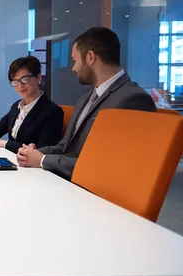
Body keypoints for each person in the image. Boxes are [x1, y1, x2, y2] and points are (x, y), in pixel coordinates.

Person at [16, 27, 156, 181]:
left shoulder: (133, 99)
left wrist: (43, 160)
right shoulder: (85, 99)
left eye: (75, 60)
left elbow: (110, 165)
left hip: (93, 191)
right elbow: (65, 146)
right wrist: (34, 152)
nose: (73, 68)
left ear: (90, 57)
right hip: (66, 179)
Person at [0, 56, 63, 153]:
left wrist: (2, 143)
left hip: (31, 168)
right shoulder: (17, 106)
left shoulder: (52, 111)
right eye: (15, 81)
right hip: (12, 158)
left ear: (39, 78)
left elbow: (42, 151)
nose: (20, 85)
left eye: (25, 79)